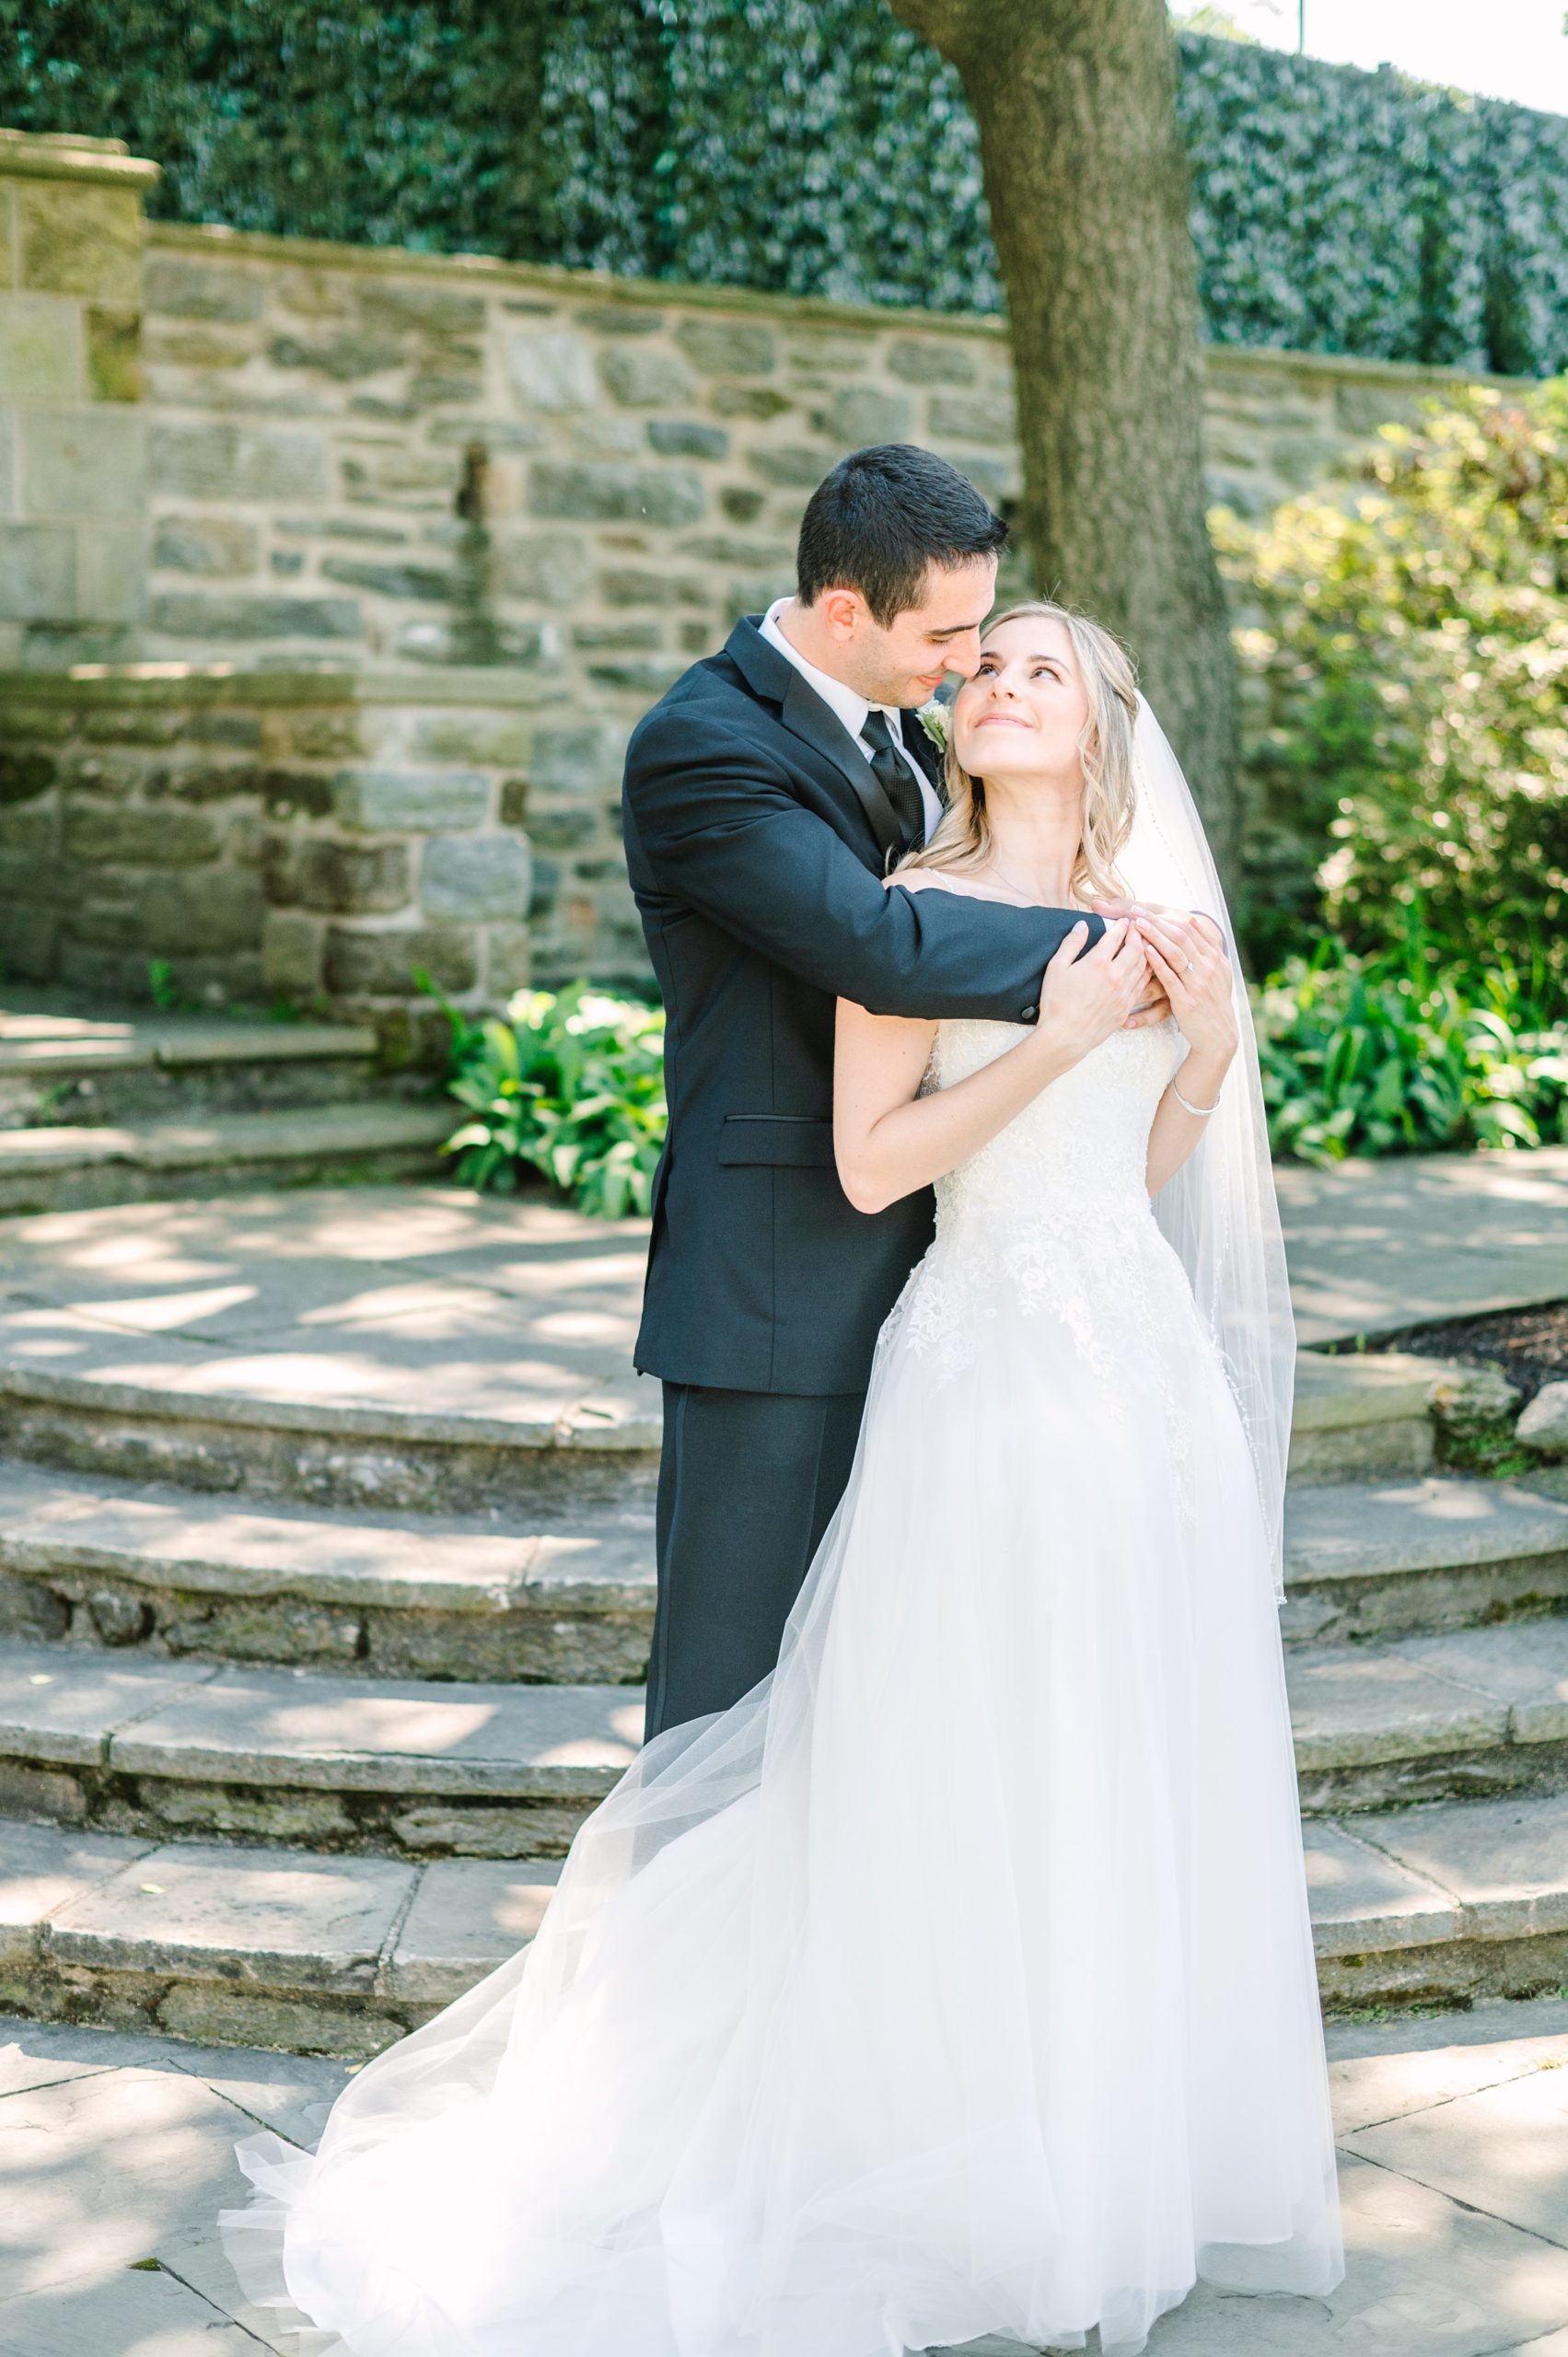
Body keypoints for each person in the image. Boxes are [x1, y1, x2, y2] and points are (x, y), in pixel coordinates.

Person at [221, 601, 1342, 2357]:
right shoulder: (906, 914)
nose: (995, 682)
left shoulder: (1154, 924)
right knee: (968, 1755)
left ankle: (1108, 2155)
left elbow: (1144, 1172)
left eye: (1037, 665)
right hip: (985, 1370)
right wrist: (1047, 1041)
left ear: (1108, 721)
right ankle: (953, 2160)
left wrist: (1197, 1044)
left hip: (1137, 1373)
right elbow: (876, 1160)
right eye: (984, 664)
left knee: (1124, 1752)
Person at [619, 443, 1166, 1740]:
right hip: (780, 1282)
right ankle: (687, 1944)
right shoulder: (704, 746)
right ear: (847, 611)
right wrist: (1113, 959)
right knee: (734, 1699)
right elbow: (873, 942)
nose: (973, 663)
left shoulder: (911, 731)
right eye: (953, 633)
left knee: (890, 1714)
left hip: (955, 1297)